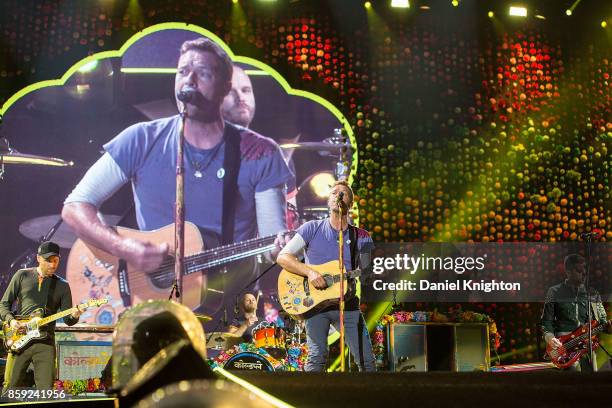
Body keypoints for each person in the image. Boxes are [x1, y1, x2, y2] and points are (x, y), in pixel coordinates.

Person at [62, 39, 293, 301]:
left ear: (225, 88)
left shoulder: (261, 152)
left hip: (228, 305)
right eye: (183, 72)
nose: (189, 81)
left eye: (203, 74)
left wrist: (282, 249)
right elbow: (75, 206)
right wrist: (126, 249)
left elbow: (272, 246)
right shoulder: (141, 139)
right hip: (149, 307)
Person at [276, 180, 376, 372]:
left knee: (366, 361)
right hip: (315, 304)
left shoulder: (361, 236)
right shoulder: (311, 228)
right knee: (316, 359)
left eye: (343, 193)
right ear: (328, 200)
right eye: (333, 192)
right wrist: (310, 272)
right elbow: (283, 257)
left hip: (347, 304)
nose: (337, 195)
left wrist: (369, 274)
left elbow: (366, 271)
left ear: (351, 204)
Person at [221, 64, 299, 230]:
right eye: (230, 91)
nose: (240, 97)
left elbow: (290, 219)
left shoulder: (271, 154)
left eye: (246, 90)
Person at [0, 242, 83, 392]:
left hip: (45, 342)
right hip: (20, 338)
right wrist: (11, 321)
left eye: (55, 260)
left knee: (46, 391)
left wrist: (75, 315)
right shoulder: (21, 275)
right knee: (9, 388)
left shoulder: (63, 286)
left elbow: (68, 320)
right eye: (48, 260)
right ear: (38, 258)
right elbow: (4, 304)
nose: (52, 264)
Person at [541, 253, 611, 372]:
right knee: (573, 381)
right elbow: (546, 321)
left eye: (585, 270)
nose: (583, 274)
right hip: (565, 347)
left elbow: (603, 322)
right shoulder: (554, 292)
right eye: (579, 270)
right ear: (568, 271)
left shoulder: (592, 293)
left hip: (588, 345)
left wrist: (609, 327)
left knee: (593, 383)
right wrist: (550, 338)